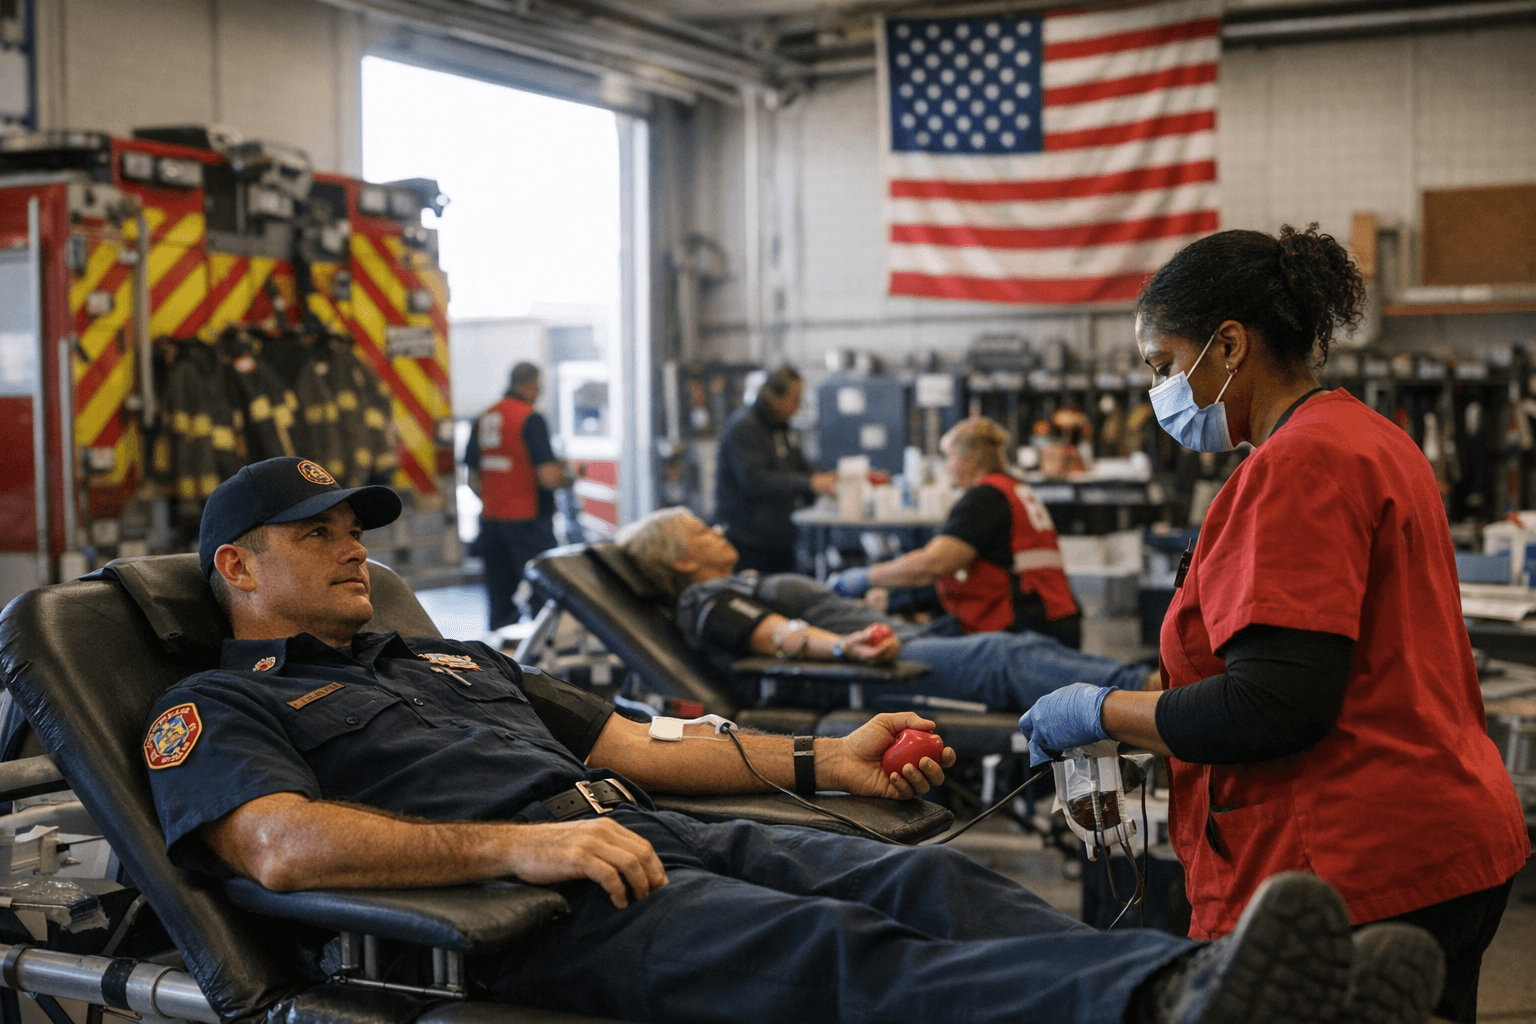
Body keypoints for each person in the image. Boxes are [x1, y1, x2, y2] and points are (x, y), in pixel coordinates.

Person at [146, 455, 1443, 1024]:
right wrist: (520, 847)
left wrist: (827, 761)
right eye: (319, 534)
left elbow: (645, 743)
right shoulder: (218, 705)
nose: (354, 549)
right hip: (532, 905)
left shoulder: (449, 656)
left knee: (919, 879)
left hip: (646, 830)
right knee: (834, 950)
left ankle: (1232, 984)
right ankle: (1167, 1004)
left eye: (353, 528)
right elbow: (278, 846)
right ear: (237, 568)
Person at [1017, 225, 1529, 1024]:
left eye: (1162, 365)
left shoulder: (1297, 464)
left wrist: (1098, 712)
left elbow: (1273, 705)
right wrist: (1145, 717)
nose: (1159, 391)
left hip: (1350, 864)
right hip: (1443, 833)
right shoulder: (1371, 438)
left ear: (1228, 346)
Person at [619, 507, 1155, 715]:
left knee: (1018, 645)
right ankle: (1145, 692)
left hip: (893, 642)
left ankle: (1139, 685)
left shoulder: (734, 584)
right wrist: (842, 647)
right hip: (871, 668)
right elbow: (775, 635)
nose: (718, 530)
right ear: (682, 560)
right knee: (1003, 656)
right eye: (702, 532)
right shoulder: (703, 600)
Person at [826, 416, 1082, 648]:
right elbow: (977, 573)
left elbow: (933, 564)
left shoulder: (986, 497)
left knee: (912, 649)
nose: (948, 467)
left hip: (1027, 627)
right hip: (1054, 615)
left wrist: (864, 577)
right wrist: (893, 599)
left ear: (971, 458)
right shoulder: (1014, 489)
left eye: (950, 457)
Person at [465, 362, 564, 630]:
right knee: (543, 596)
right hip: (528, 522)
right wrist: (569, 475)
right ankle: (542, 649)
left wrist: (495, 498)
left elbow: (471, 478)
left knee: (501, 601)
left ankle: (501, 651)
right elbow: (549, 476)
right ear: (531, 386)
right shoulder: (530, 418)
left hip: (492, 521)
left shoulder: (484, 417)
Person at [714, 364, 837, 574]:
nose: (798, 407)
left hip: (779, 539)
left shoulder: (781, 427)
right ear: (774, 398)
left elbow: (800, 467)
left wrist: (826, 479)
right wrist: (810, 483)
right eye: (794, 400)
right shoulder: (745, 428)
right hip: (748, 542)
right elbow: (755, 480)